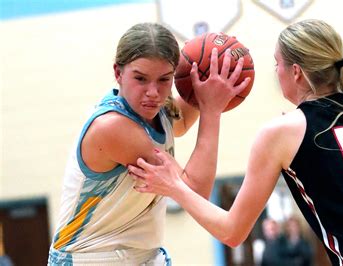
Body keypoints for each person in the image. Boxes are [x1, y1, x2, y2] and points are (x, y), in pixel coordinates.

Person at [128, 19, 343, 265]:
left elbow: (233, 232)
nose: (276, 72)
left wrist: (174, 186)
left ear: (297, 72)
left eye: (277, 65)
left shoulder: (282, 132)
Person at [47, 22, 249, 265]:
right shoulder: (113, 127)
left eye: (164, 79)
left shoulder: (157, 109)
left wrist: (214, 64)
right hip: (89, 259)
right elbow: (194, 193)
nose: (153, 92)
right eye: (140, 78)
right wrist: (212, 111)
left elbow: (181, 120)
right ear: (118, 73)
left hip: (136, 256)